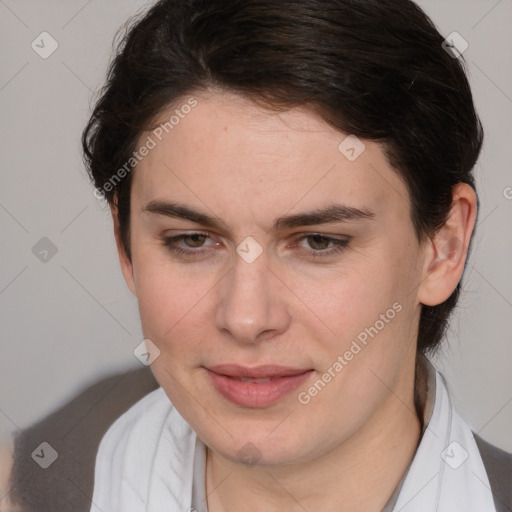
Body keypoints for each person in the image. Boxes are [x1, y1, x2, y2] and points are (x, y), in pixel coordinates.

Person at [81, 0, 512, 511]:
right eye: (192, 240)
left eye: (318, 242)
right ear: (124, 241)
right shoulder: (39, 477)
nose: (246, 318)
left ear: (443, 246)